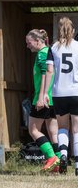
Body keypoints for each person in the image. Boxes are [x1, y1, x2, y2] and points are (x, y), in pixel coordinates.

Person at [44, 17, 78, 175]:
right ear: (73, 30)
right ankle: (77, 165)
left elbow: (49, 71)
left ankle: (63, 155)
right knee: (76, 129)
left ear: (59, 30)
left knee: (63, 127)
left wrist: (45, 92)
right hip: (75, 91)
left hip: (59, 93)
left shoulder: (53, 48)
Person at [26, 29, 60, 172]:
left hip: (43, 98)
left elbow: (46, 74)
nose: (28, 46)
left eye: (29, 43)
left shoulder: (41, 54)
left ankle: (52, 158)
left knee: (33, 129)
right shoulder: (49, 51)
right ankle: (59, 163)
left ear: (38, 41)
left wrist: (41, 97)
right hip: (53, 98)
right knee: (53, 132)